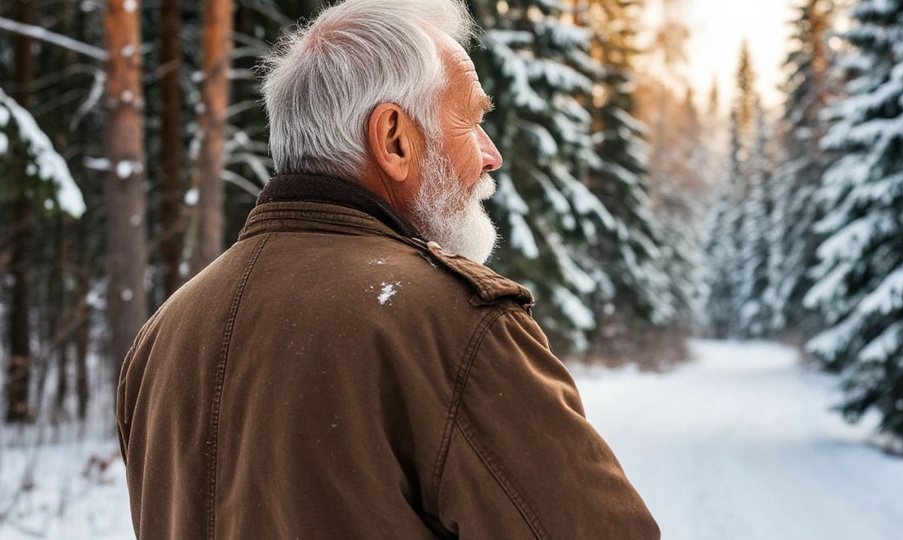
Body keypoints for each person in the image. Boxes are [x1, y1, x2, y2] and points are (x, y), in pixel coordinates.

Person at [115, 0, 660, 538]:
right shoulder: (451, 324)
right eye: (470, 119)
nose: (491, 155)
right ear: (395, 139)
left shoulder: (162, 337)